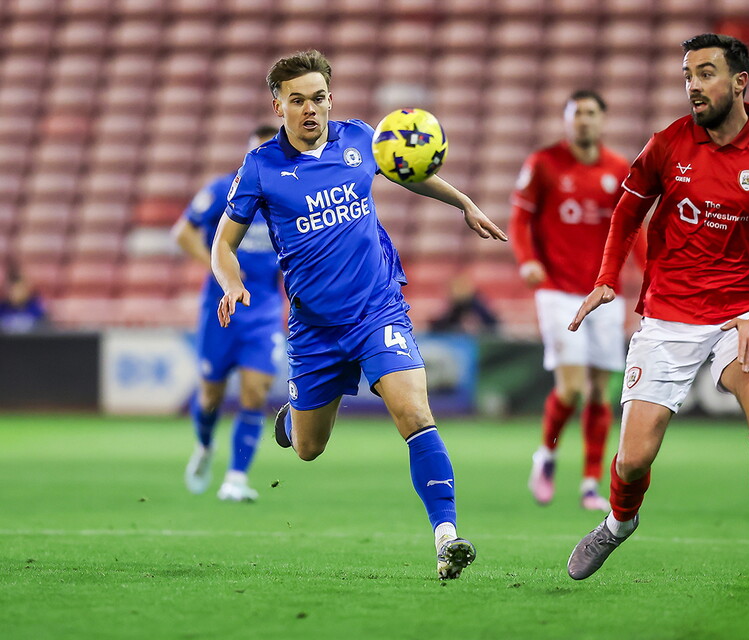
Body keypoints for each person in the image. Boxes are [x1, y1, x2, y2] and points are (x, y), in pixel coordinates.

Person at [211, 50, 507, 580]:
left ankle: (446, 537)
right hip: (314, 328)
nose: (310, 109)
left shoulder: (358, 139)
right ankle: (293, 421)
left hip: (377, 308)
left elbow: (408, 173)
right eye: (297, 100)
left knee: (414, 413)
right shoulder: (260, 166)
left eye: (318, 98)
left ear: (331, 99)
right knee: (308, 449)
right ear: (278, 105)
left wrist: (463, 202)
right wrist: (231, 283)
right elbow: (222, 244)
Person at [565, 34, 749, 601]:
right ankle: (619, 522)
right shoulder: (667, 145)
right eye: (687, 75)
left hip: (744, 312)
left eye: (706, 73)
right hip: (668, 316)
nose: (692, 85)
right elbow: (627, 211)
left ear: (739, 82)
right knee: (633, 461)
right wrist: (608, 277)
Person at [509, 89, 644, 511]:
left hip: (604, 293)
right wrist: (528, 260)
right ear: (566, 121)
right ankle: (546, 455)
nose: (583, 120)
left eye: (590, 113)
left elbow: (630, 229)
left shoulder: (620, 168)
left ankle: (589, 483)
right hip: (557, 291)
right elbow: (519, 219)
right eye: (576, 114)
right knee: (570, 389)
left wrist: (650, 272)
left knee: (601, 393)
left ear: (602, 120)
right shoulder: (544, 163)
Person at [173, 125, 283, 503]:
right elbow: (183, 232)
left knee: (255, 392)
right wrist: (219, 269)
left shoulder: (291, 196)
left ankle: (236, 478)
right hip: (220, 307)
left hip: (265, 306)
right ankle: (204, 446)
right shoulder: (224, 190)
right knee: (210, 397)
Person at [429, 273, 499, 334]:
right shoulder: (456, 308)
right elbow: (443, 323)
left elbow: (492, 324)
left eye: (461, 287)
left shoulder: (477, 305)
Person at [0, 268, 47, 333]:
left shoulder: (36, 310)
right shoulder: (2, 310)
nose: (16, 293)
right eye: (13, 290)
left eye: (20, 289)